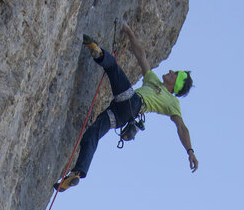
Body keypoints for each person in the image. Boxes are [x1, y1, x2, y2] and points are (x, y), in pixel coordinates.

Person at [54, 22, 198, 190]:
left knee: (113, 68)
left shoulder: (173, 103)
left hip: (133, 103)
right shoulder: (153, 80)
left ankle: (99, 53)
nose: (172, 71)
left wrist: (190, 151)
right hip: (121, 115)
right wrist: (129, 33)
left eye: (176, 74)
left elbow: (181, 127)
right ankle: (77, 172)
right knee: (92, 134)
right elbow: (141, 56)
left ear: (176, 84)